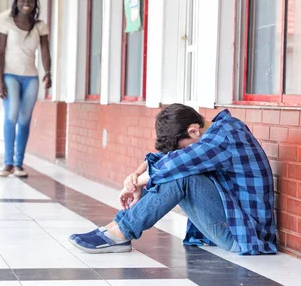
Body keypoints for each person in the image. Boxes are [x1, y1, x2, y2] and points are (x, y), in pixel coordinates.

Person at [69, 104, 277, 256]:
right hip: (233, 226)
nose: (181, 152)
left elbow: (176, 164)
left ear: (194, 130)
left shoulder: (225, 136)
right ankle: (117, 227)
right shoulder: (216, 131)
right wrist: (135, 176)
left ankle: (120, 234)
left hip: (244, 235)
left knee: (182, 176)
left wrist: (139, 182)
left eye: (181, 147)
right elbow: (169, 158)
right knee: (178, 170)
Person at [0, 0, 52, 178]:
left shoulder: (40, 26)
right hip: (9, 75)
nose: (26, 3)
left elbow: (45, 51)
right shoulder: (7, 23)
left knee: (25, 120)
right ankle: (7, 162)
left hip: (31, 77)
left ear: (35, 4)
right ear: (16, 2)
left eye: (30, 0)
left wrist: (48, 72)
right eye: (22, 0)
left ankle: (19, 163)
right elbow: (0, 53)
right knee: (11, 115)